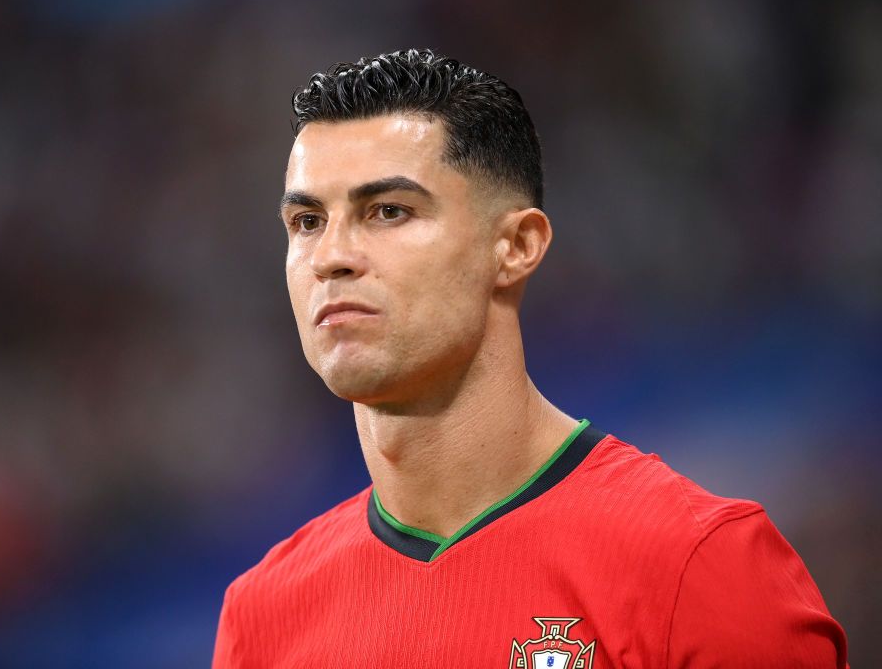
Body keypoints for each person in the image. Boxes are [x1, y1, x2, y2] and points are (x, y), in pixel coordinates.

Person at [212, 48, 848, 668]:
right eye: (306, 221)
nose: (331, 257)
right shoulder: (263, 616)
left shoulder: (699, 564)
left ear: (516, 246)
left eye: (388, 211)